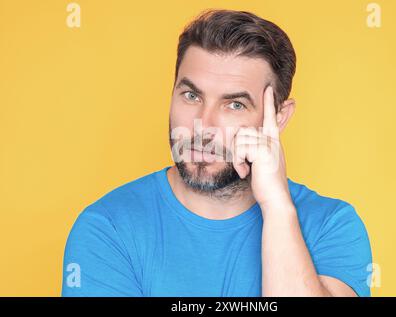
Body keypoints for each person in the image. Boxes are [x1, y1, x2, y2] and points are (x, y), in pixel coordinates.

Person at [62, 9, 372, 297]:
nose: (202, 125)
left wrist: (277, 208)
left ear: (278, 117)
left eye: (235, 104)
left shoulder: (332, 225)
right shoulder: (108, 227)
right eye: (191, 95)